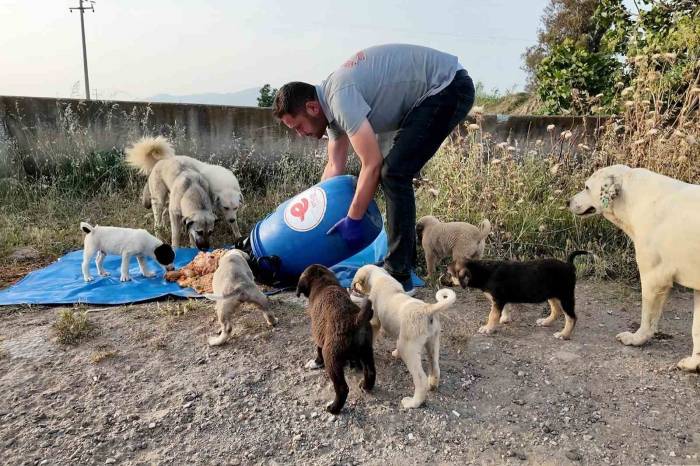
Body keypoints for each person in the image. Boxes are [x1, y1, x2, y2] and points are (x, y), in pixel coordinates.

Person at [273, 43, 475, 295]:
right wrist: (314, 214)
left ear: (312, 108)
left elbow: (372, 163)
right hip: (436, 91)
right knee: (394, 171)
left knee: (394, 172)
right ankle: (402, 263)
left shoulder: (339, 97)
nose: (301, 134)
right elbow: (334, 167)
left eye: (298, 127)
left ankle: (399, 275)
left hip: (448, 86)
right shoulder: (330, 108)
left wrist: (354, 219)